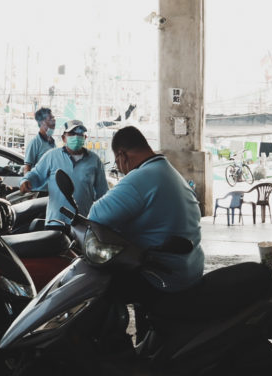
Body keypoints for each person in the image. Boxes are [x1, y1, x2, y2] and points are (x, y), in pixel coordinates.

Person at [87, 126, 204, 293]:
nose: (120, 169)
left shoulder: (142, 176)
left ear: (122, 155)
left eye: (116, 161)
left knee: (104, 290)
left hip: (164, 277)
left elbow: (95, 215)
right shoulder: (167, 170)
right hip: (190, 268)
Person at [18, 119, 107, 227]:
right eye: (72, 133)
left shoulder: (94, 160)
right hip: (56, 222)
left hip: (83, 224)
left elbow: (103, 194)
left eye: (80, 134)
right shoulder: (52, 156)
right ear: (64, 138)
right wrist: (26, 180)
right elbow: (36, 174)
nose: (76, 137)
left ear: (85, 138)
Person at [22, 107, 55, 194]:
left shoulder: (52, 142)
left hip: (50, 190)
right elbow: (27, 167)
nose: (54, 121)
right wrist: (27, 184)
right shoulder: (35, 143)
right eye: (50, 119)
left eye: (53, 118)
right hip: (39, 190)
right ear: (42, 122)